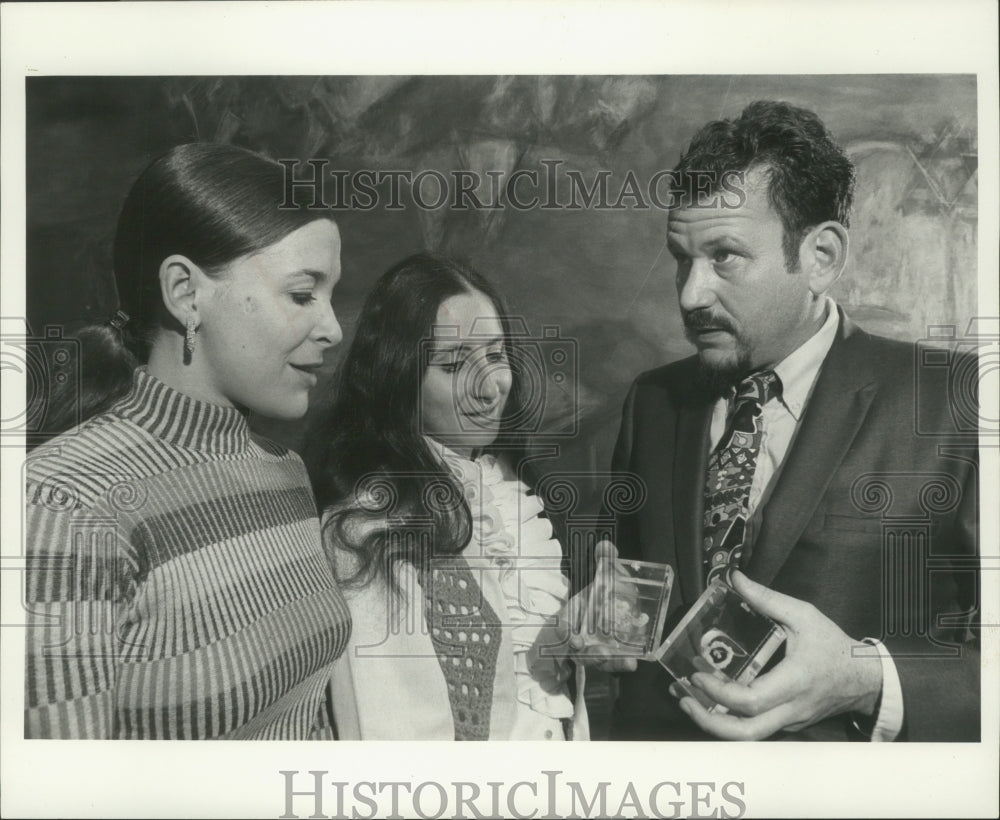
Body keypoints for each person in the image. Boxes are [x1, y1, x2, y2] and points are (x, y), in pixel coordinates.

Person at [610, 101, 980, 741]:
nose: (691, 295)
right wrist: (600, 619)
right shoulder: (653, 401)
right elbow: (621, 597)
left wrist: (865, 678)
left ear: (821, 256)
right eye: (681, 258)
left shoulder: (955, 402)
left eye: (725, 256)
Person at [24, 143, 351, 739]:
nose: (332, 329)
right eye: (303, 294)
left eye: (331, 297)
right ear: (185, 293)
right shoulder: (63, 505)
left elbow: (308, 723)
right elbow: (66, 782)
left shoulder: (286, 470)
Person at [308, 252, 614, 740]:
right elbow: (395, 737)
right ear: (397, 378)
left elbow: (512, 677)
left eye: (495, 355)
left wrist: (570, 635)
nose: (490, 387)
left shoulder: (507, 487)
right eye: (453, 364)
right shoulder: (371, 528)